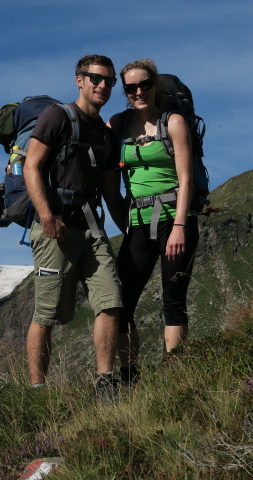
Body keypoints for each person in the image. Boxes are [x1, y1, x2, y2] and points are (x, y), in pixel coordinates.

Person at [23, 54, 123, 402]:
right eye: (95, 78)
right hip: (56, 228)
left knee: (110, 301)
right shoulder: (57, 116)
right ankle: (38, 392)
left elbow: (111, 190)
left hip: (92, 229)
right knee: (47, 313)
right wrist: (47, 216)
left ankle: (105, 383)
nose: (102, 86)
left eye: (109, 81)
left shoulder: (106, 134)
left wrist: (130, 229)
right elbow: (31, 165)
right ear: (79, 80)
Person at [108, 59, 199, 384]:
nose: (138, 92)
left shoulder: (173, 122)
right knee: (120, 303)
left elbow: (185, 179)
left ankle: (176, 380)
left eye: (144, 84)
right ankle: (130, 377)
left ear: (155, 84)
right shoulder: (119, 124)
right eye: (130, 88)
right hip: (138, 222)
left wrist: (178, 227)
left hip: (175, 218)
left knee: (173, 301)